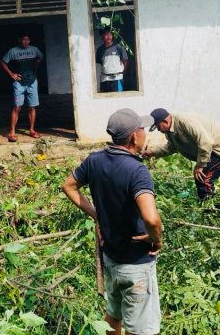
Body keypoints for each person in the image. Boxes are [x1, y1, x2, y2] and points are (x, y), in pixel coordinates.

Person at [62, 108, 163, 335]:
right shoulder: (137, 171)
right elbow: (151, 218)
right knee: (142, 329)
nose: (145, 133)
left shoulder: (94, 161)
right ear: (134, 137)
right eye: (142, 129)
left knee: (113, 316)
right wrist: (155, 239)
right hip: (136, 264)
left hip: (111, 258)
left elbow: (68, 186)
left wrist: (96, 213)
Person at [143, 108, 220, 200]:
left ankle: (208, 210)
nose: (158, 130)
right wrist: (152, 152)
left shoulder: (184, 121)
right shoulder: (169, 131)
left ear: (165, 121)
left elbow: (206, 142)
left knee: (203, 178)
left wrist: (200, 165)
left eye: (158, 126)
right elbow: (172, 147)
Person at [0, 34, 44, 142]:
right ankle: (12, 132)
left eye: (27, 39)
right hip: (19, 83)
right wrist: (11, 74)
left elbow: (40, 58)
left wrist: (35, 67)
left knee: (32, 107)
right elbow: (2, 62)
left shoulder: (35, 50)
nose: (25, 42)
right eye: (23, 40)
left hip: (32, 82)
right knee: (17, 107)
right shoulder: (13, 51)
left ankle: (32, 130)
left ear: (30, 40)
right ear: (19, 40)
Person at [96, 28, 129, 93]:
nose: (108, 37)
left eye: (110, 34)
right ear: (102, 36)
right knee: (105, 99)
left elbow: (126, 61)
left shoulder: (119, 47)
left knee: (118, 99)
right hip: (104, 79)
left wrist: (121, 73)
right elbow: (100, 64)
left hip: (117, 79)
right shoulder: (100, 50)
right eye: (106, 34)